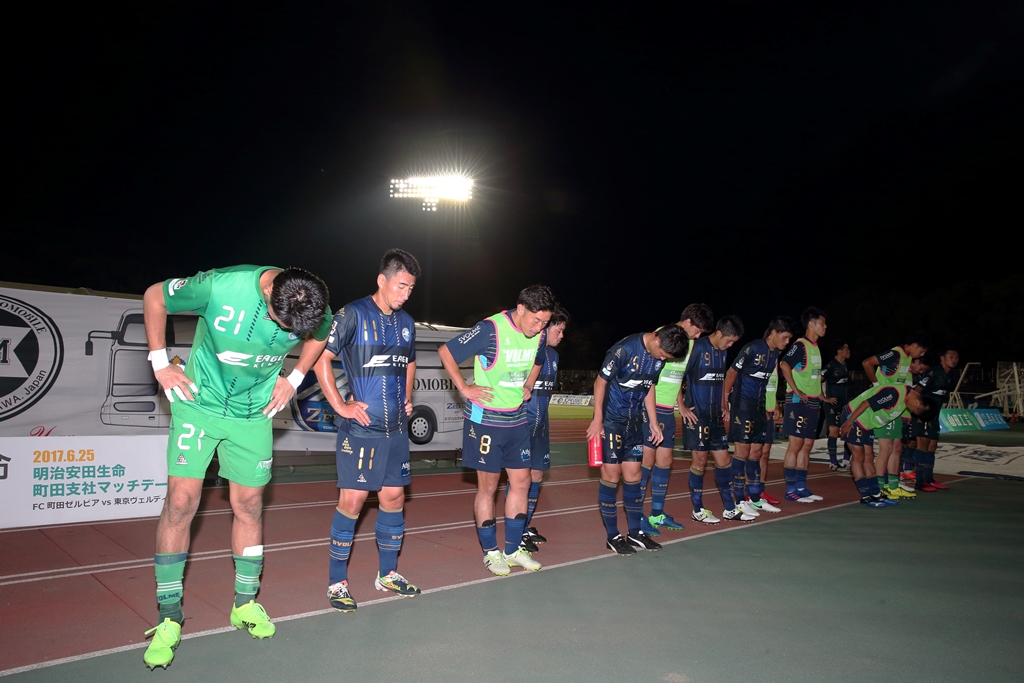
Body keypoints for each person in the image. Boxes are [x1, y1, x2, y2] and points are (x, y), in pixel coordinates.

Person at [141, 266, 331, 669]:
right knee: (180, 502)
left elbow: (321, 333)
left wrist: (296, 377)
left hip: (253, 414)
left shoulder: (311, 304)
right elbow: (155, 296)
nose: (286, 334)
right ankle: (169, 616)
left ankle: (244, 603)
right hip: (198, 404)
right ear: (269, 293)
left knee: (249, 505)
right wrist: (160, 362)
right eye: (282, 324)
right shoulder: (220, 286)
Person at [313, 249, 422, 613]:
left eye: (410, 288)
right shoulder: (352, 315)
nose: (405, 294)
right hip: (361, 430)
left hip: (396, 432)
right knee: (353, 501)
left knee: (394, 499)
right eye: (401, 286)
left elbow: (409, 361)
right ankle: (337, 582)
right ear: (382, 280)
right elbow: (321, 358)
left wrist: (407, 397)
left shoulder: (407, 322)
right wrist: (339, 405)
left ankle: (387, 574)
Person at [438, 285, 556, 575]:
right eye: (535, 321)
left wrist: (529, 384)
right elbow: (446, 352)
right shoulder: (490, 330)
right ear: (520, 309)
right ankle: (491, 552)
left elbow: (539, 359)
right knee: (488, 487)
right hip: (486, 421)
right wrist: (464, 388)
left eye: (544, 323)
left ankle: (513, 550)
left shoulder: (539, 334)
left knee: (521, 482)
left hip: (517, 418)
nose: (539, 328)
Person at [587, 324, 691, 553]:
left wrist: (653, 421)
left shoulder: (658, 359)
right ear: (656, 338)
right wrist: (598, 419)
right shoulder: (624, 349)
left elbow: (649, 386)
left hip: (634, 422)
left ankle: (635, 533)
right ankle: (613, 536)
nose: (662, 359)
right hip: (612, 421)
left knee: (634, 475)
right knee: (611, 475)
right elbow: (600, 382)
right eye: (663, 354)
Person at [639, 303, 714, 536]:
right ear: (688, 322)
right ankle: (636, 515)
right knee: (646, 460)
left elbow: (676, 377)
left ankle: (657, 513)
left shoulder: (688, 344)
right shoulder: (664, 336)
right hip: (650, 406)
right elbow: (648, 374)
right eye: (698, 330)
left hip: (667, 410)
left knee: (665, 461)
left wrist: (679, 404)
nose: (698, 336)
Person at [681, 316, 751, 523]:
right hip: (697, 416)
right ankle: (697, 509)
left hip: (715, 417)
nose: (730, 346)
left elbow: (719, 381)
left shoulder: (722, 352)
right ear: (719, 333)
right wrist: (681, 406)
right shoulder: (696, 348)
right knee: (700, 462)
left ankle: (729, 508)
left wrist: (723, 405)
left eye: (733, 343)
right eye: (729, 341)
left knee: (724, 461)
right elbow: (678, 376)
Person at [722, 317, 793, 516]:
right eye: (785, 337)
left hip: (760, 408)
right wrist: (724, 402)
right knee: (742, 451)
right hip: (743, 406)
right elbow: (731, 373)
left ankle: (755, 498)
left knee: (757, 453)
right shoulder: (752, 348)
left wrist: (771, 405)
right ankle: (739, 500)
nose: (787, 342)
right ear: (774, 333)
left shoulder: (775, 353)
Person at [519, 305, 571, 551]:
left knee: (537, 475)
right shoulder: (527, 350)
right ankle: (516, 531)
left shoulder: (554, 356)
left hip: (541, 427)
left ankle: (525, 524)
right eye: (558, 330)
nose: (562, 335)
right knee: (520, 479)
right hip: (522, 423)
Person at [840, 382, 939, 507]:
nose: (912, 411)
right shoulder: (893, 393)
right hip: (854, 417)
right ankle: (865, 496)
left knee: (869, 457)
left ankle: (876, 494)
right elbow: (865, 403)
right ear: (918, 403)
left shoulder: (907, 397)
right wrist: (848, 423)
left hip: (867, 423)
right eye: (914, 411)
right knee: (858, 456)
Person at [862, 333, 930, 500]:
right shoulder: (895, 354)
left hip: (897, 408)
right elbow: (867, 363)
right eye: (921, 351)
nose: (921, 355)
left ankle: (892, 485)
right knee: (886, 448)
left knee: (897, 447)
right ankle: (879, 487)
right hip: (886, 407)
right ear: (914, 345)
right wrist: (877, 386)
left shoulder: (907, 358)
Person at [778, 307, 828, 503]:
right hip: (798, 402)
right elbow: (784, 364)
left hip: (813, 403)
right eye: (822, 323)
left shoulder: (815, 347)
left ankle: (801, 487)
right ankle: (791, 490)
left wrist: (821, 395)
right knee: (796, 444)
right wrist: (796, 390)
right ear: (811, 324)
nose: (825, 326)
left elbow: (814, 377)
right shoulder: (800, 345)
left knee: (807, 445)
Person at [909, 347, 960, 491]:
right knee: (922, 445)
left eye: (956, 357)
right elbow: (915, 391)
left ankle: (929, 479)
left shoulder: (950, 375)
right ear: (942, 358)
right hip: (924, 415)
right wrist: (919, 410)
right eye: (950, 356)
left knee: (932, 446)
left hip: (935, 415)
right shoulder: (933, 373)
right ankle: (919, 482)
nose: (954, 360)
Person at [821, 339, 852, 471]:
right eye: (846, 349)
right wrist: (824, 397)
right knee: (834, 431)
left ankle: (846, 460)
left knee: (848, 430)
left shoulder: (845, 365)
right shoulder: (831, 366)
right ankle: (833, 462)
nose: (849, 351)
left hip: (845, 404)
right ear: (839, 351)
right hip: (832, 404)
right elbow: (818, 380)